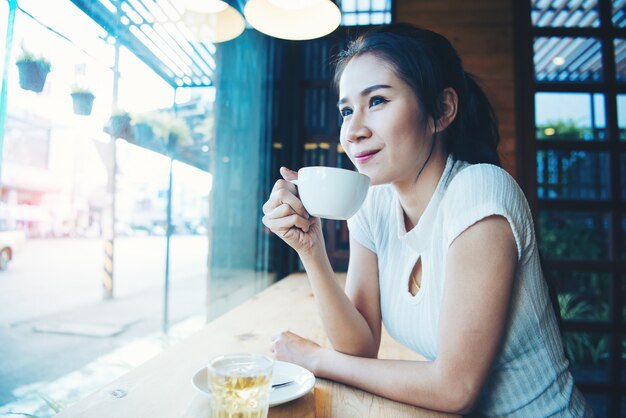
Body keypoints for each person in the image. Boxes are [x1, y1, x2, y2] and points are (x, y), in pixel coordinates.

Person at [262, 23, 592, 417]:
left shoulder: (478, 190)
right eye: (346, 110)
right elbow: (359, 345)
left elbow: (455, 389)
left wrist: (315, 359)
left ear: (441, 110)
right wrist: (310, 248)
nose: (353, 131)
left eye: (378, 101)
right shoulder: (373, 204)